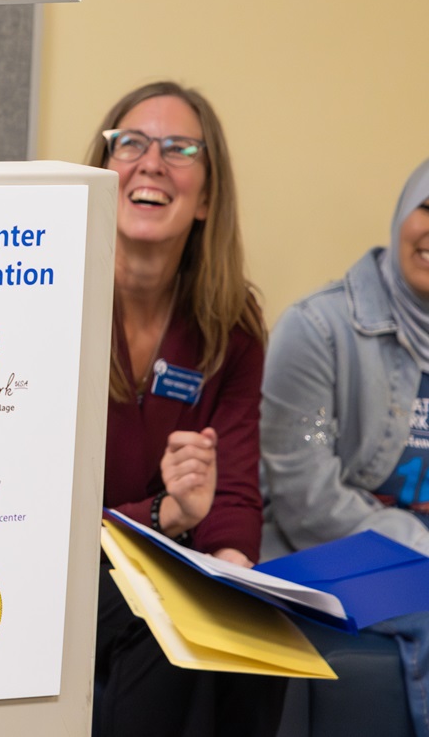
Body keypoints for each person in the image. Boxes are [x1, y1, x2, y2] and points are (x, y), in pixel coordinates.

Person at [87, 81, 283, 737]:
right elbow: (28, 504)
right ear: (100, 173)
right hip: (54, 568)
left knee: (251, 637)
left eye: (179, 149)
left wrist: (237, 578)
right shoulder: (45, 300)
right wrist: (165, 515)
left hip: (160, 560)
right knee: (162, 626)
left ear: (206, 198)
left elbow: (232, 492)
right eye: (131, 144)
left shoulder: (230, 322)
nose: (151, 162)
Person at [262, 158, 429, 736]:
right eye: (427, 208)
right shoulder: (317, 328)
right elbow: (304, 496)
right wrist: (420, 547)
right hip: (317, 553)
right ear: (403, 213)